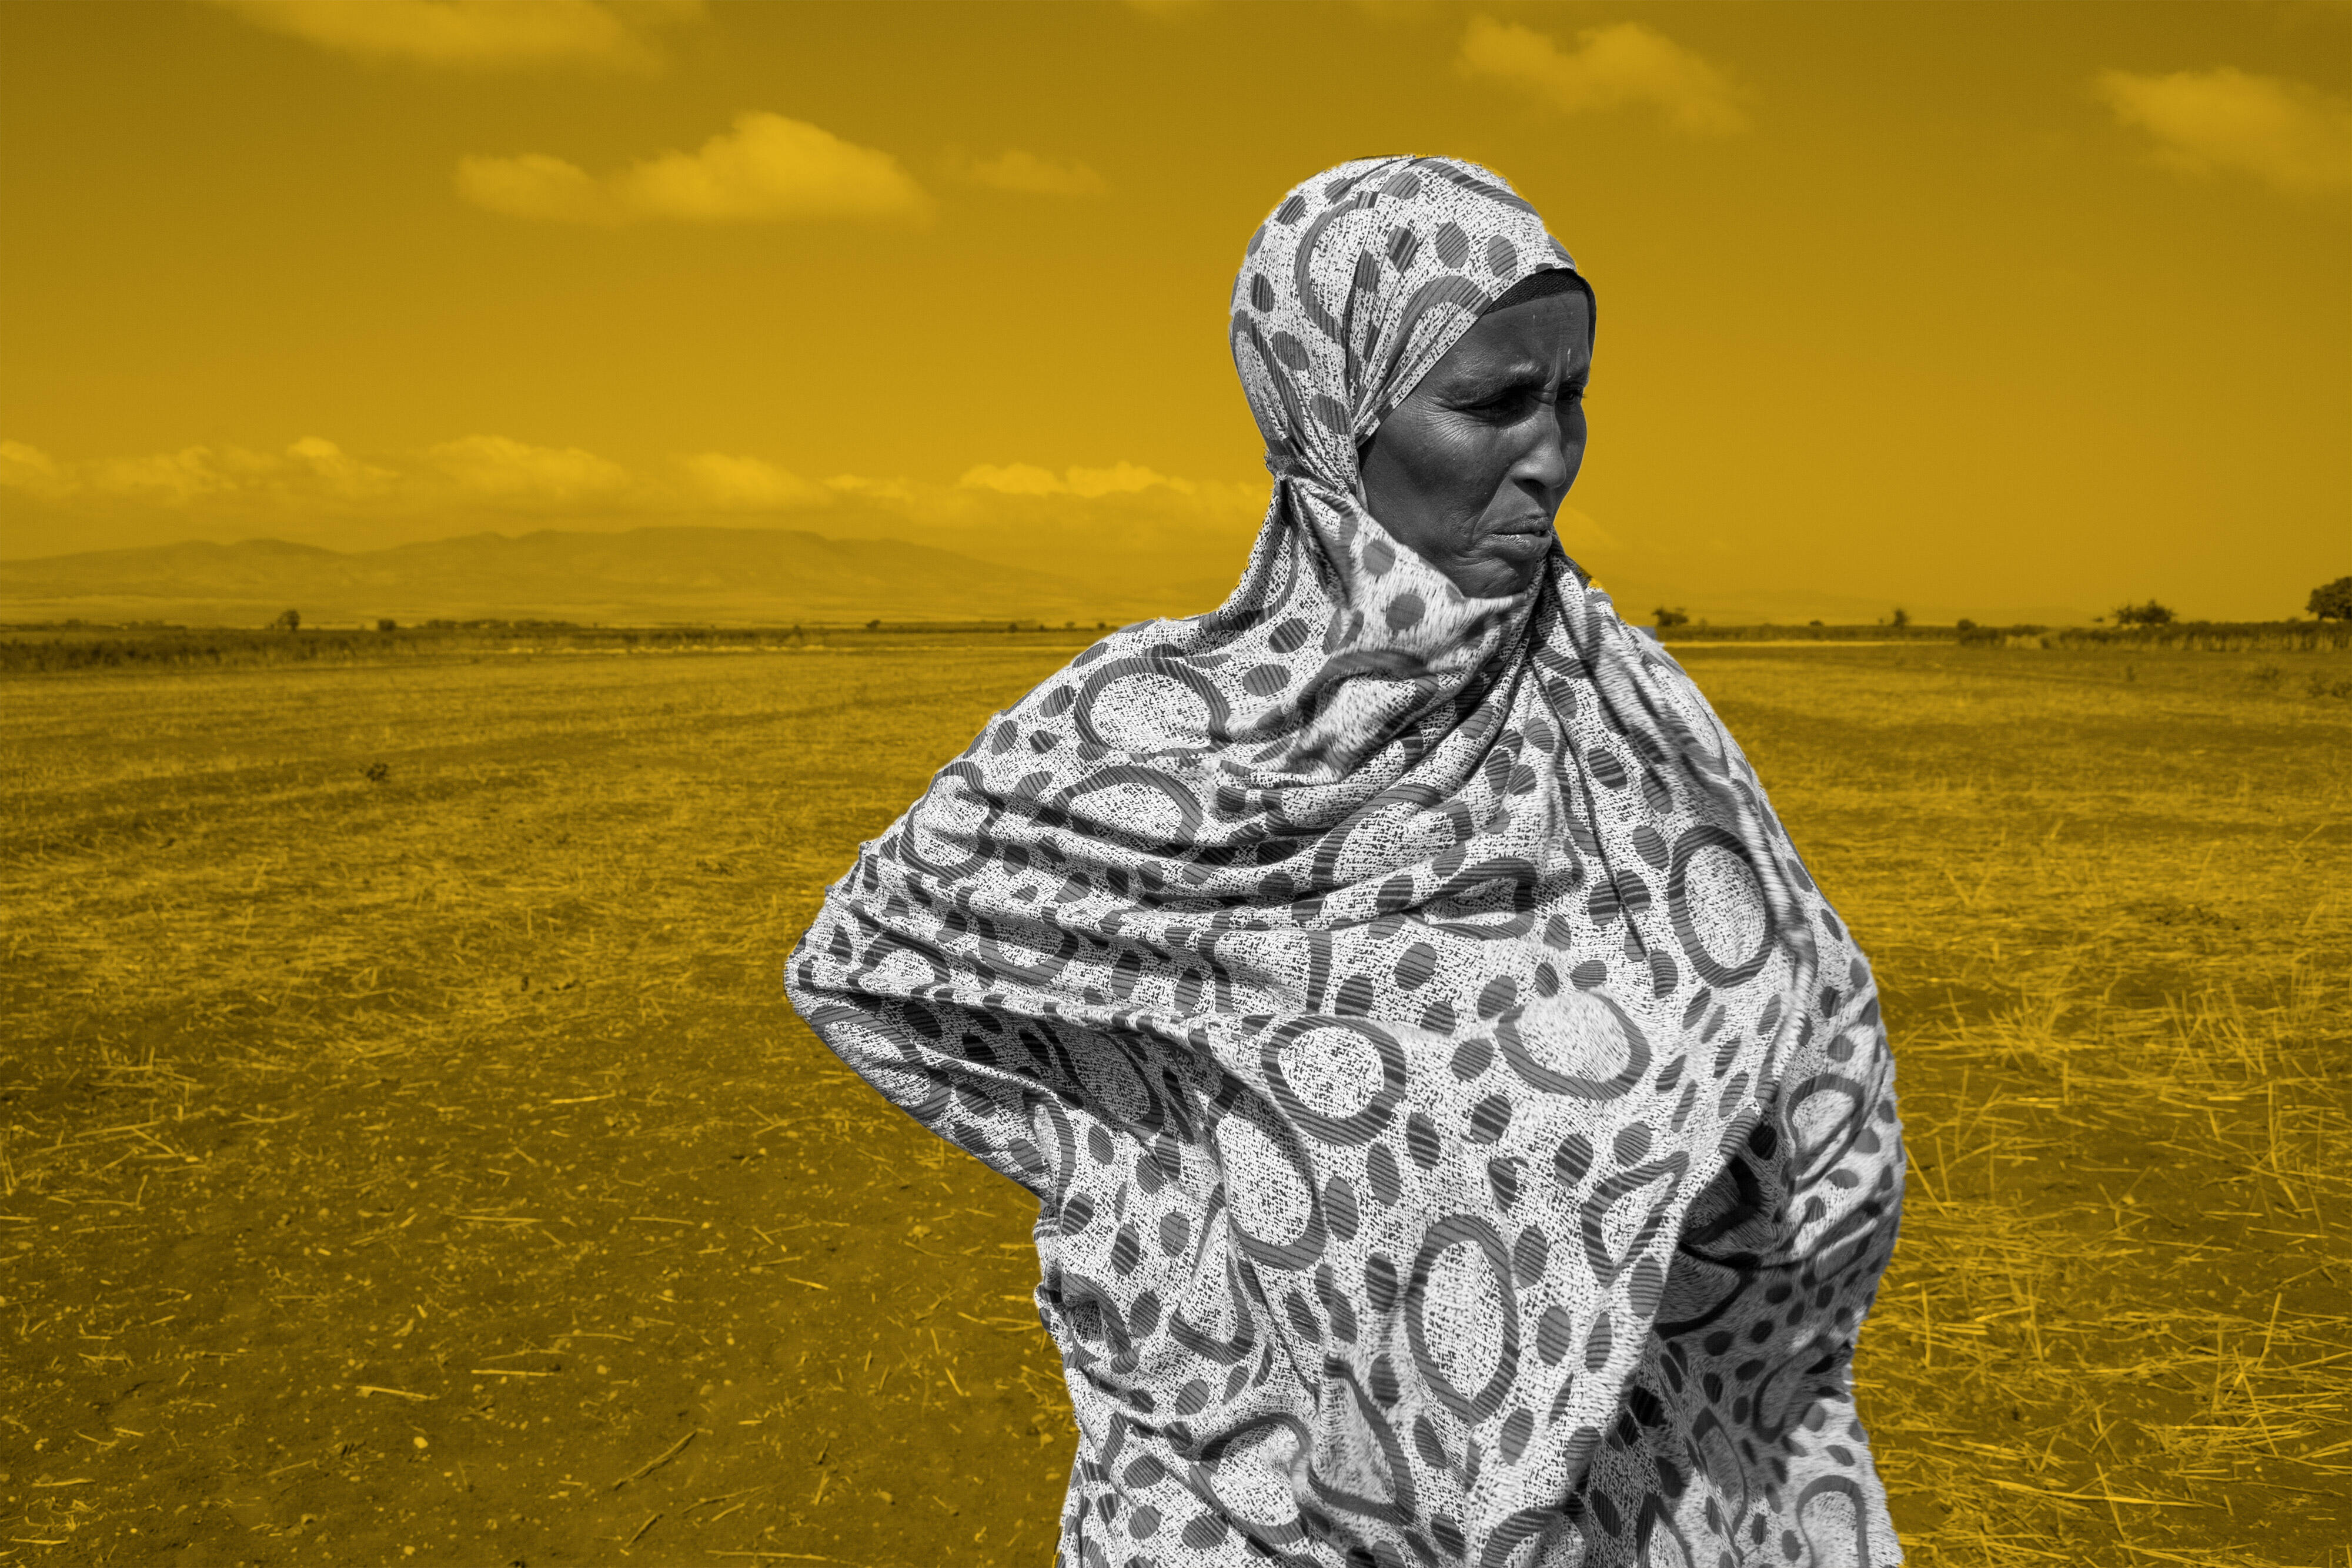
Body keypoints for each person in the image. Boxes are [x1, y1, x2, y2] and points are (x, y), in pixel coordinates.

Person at [786, 155, 1905, 1568]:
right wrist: (1133, 1168)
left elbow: (1798, 1052)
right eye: (1493, 402)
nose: (1551, 452)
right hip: (1226, 1500)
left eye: (1567, 397)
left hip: (1596, 1495)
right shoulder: (1153, 735)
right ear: (1337, 408)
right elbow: (873, 955)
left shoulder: (1618, 718)